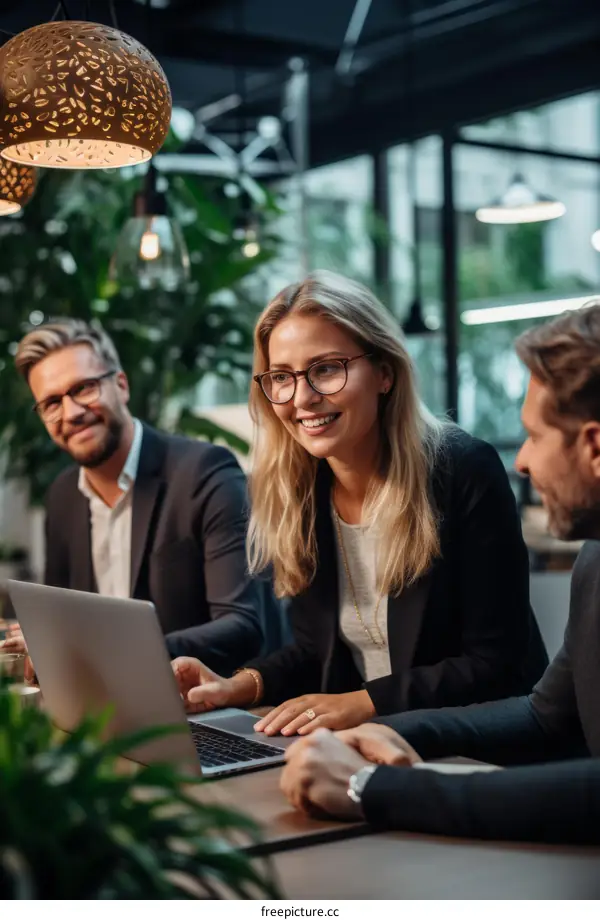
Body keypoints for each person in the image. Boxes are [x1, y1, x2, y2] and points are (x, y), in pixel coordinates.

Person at [279, 301, 600, 846]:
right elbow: (545, 714)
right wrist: (377, 731)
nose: (520, 461)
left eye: (535, 436)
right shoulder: (594, 559)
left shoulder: (463, 469)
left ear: (593, 446)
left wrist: (370, 788)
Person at [172, 271, 547, 735]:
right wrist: (237, 686)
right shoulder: (303, 490)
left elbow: (496, 665)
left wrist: (365, 703)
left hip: (476, 747)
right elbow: (316, 652)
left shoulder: (464, 470)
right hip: (370, 745)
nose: (302, 398)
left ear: (385, 372)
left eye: (326, 369)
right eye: (282, 377)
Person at [1, 318, 286, 674]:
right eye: (52, 403)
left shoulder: (205, 473)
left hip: (210, 705)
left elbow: (243, 626)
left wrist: (102, 647)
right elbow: (63, 621)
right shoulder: (62, 497)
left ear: (121, 385)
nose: (71, 412)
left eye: (84, 388)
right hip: (102, 705)